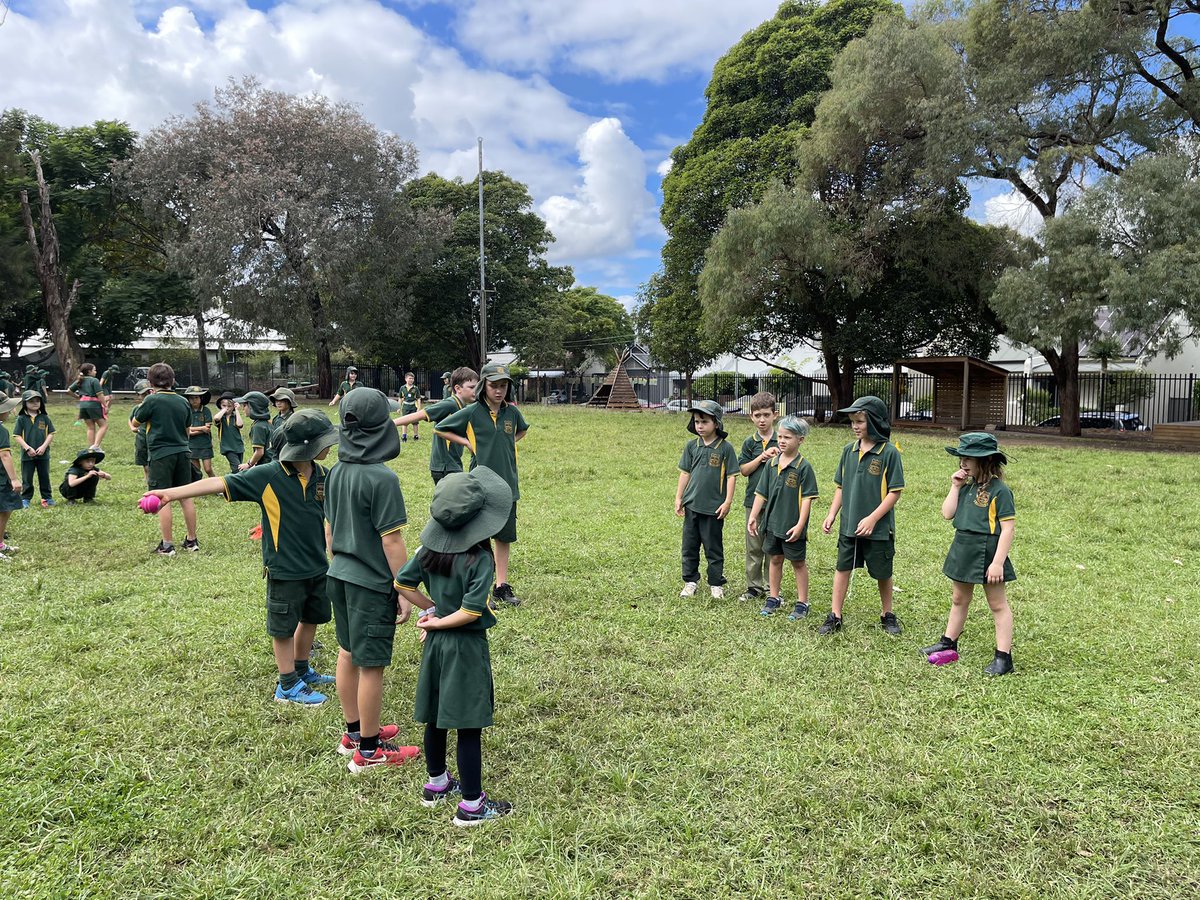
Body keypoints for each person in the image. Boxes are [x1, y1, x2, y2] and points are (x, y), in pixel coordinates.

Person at [144, 409, 341, 701]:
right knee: (283, 628)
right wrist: (171, 493)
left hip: (316, 566)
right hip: (284, 568)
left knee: (311, 617)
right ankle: (287, 685)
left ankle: (302, 669)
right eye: (325, 442)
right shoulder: (267, 475)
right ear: (306, 445)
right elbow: (219, 483)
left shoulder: (323, 474)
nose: (331, 446)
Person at [395, 467, 516, 826]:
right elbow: (471, 611)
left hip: (436, 648)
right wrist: (437, 619)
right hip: (465, 649)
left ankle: (436, 784)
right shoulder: (480, 559)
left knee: (436, 716)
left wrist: (431, 609)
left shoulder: (427, 551)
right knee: (468, 726)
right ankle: (472, 807)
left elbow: (402, 583)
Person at [325, 388, 420, 772]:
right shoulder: (383, 479)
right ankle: (369, 751)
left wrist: (339, 562)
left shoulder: (335, 472)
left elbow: (329, 529)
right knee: (372, 666)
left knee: (347, 652)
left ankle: (354, 732)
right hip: (370, 585)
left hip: (339, 575)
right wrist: (405, 589)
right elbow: (392, 541)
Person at [921, 433, 1017, 676]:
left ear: (986, 460)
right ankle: (948, 642)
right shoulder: (966, 486)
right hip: (963, 546)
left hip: (987, 550)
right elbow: (947, 513)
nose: (963, 462)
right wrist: (955, 486)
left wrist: (997, 563)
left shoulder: (1000, 491)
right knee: (958, 598)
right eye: (961, 457)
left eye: (969, 458)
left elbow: (1008, 529)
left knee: (997, 604)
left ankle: (1003, 658)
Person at [435, 363, 529, 609]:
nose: (499, 391)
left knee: (504, 537)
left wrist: (507, 442)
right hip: (481, 484)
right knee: (479, 538)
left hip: (508, 484)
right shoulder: (473, 412)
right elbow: (440, 428)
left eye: (503, 386)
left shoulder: (512, 413)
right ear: (483, 386)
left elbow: (522, 431)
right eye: (493, 385)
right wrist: (467, 443)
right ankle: (480, 590)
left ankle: (501, 586)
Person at [820, 396, 904, 636]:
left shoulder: (889, 453)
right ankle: (835, 615)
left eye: (860, 421)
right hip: (849, 526)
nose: (855, 426)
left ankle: (887, 614)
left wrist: (873, 519)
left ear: (875, 421)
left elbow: (895, 492)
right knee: (842, 567)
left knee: (883, 572)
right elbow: (841, 486)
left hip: (879, 529)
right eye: (852, 421)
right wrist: (832, 514)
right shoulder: (848, 451)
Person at [749, 416, 819, 619]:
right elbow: (761, 493)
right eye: (780, 436)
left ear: (800, 440)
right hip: (772, 524)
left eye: (787, 437)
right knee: (775, 559)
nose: (781, 441)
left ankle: (802, 602)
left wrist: (800, 525)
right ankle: (774, 597)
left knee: (798, 563)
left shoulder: (803, 467)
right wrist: (753, 516)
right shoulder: (771, 464)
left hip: (792, 527)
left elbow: (807, 499)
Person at [131, 363, 199, 556]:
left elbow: (136, 422)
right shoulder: (183, 401)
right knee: (185, 496)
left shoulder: (151, 400)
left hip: (161, 454)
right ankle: (192, 541)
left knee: (162, 497)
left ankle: (167, 545)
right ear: (173, 380)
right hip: (183, 452)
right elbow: (187, 430)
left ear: (150, 382)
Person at [675, 400, 739, 599]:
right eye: (697, 421)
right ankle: (690, 581)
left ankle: (716, 583)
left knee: (713, 548)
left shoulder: (725, 448)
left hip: (714, 509)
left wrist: (727, 502)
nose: (700, 426)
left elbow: (732, 476)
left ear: (716, 423)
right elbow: (685, 473)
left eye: (704, 421)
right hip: (692, 506)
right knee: (689, 546)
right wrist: (679, 497)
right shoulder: (691, 446)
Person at [393, 366, 479, 484]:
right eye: (471, 387)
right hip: (444, 466)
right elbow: (420, 415)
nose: (475, 390)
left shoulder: (463, 407)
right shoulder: (449, 404)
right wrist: (390, 423)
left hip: (453, 464)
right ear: (458, 388)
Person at [737, 392, 779, 602]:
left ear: (775, 415)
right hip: (752, 502)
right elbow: (743, 470)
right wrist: (761, 457)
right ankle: (754, 587)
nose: (762, 420)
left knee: (773, 547)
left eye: (766, 415)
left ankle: (772, 588)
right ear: (751, 417)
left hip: (777, 502)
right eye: (757, 415)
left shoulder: (782, 439)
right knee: (754, 546)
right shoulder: (749, 443)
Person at [13, 390, 56, 508]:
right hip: (27, 455)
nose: (35, 403)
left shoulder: (44, 417)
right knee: (27, 478)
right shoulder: (21, 418)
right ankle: (25, 499)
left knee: (44, 476)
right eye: (31, 401)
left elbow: (51, 433)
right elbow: (17, 435)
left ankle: (47, 497)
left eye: (37, 401)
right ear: (25, 403)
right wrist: (27, 448)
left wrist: (43, 447)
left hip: (43, 454)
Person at [0, 390, 23, 560]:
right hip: (1, 479)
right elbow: (4, 455)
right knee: (4, 509)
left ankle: (0, 543)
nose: (9, 411)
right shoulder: (1, 431)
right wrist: (14, 479)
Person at [68, 363, 107, 451]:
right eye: (94, 370)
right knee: (103, 426)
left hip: (83, 405)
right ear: (89, 371)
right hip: (93, 405)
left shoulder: (80, 380)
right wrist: (105, 405)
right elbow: (100, 394)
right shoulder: (94, 380)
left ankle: (91, 447)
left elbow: (69, 390)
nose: (96, 372)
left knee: (90, 427)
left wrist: (78, 397)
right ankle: (96, 445)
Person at [235, 391, 272, 470]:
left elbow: (260, 452)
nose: (243, 409)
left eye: (245, 405)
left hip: (265, 467)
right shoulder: (266, 423)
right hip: (271, 464)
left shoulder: (258, 426)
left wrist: (249, 464)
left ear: (254, 407)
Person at [184, 386, 215, 478]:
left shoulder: (206, 410)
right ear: (188, 399)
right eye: (191, 398)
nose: (194, 400)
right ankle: (199, 485)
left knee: (208, 469)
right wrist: (202, 429)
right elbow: (186, 429)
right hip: (191, 445)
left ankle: (217, 485)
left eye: (196, 397)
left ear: (201, 398)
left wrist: (192, 431)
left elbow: (207, 428)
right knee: (196, 470)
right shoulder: (186, 411)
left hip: (205, 444)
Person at [213, 391, 245, 473]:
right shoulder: (221, 418)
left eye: (229, 406)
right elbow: (216, 418)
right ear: (220, 405)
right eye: (224, 405)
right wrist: (223, 410)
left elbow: (240, 424)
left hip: (238, 446)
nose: (227, 408)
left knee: (239, 468)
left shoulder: (235, 416)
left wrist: (237, 410)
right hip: (227, 447)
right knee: (237, 468)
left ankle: (234, 479)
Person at [128, 380, 153, 483]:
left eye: (148, 392)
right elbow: (130, 419)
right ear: (138, 396)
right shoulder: (137, 408)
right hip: (141, 437)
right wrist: (132, 428)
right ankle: (146, 477)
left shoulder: (154, 406)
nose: (146, 396)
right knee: (143, 457)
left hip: (153, 436)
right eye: (143, 394)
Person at [267, 388, 297, 462]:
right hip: (276, 453)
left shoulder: (294, 419)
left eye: (282, 400)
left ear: (289, 402)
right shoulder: (276, 419)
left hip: (289, 453)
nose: (278, 403)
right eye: (276, 400)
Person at [398, 372, 422, 442]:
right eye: (410, 378)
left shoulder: (415, 388)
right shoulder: (402, 388)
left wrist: (419, 408)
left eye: (412, 379)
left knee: (415, 422)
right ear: (406, 379)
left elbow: (418, 398)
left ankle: (416, 435)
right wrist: (398, 407)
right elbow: (400, 398)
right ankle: (404, 436)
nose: (411, 380)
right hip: (405, 407)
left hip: (413, 407)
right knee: (404, 422)